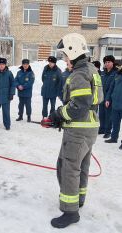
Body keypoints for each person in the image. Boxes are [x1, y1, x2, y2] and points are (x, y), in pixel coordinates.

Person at [42, 33, 103, 228]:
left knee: (68, 168)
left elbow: (78, 106)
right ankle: (79, 200)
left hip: (78, 131)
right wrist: (62, 119)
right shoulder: (91, 69)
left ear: (73, 51)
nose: (65, 59)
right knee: (82, 166)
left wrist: (58, 115)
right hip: (89, 128)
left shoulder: (78, 74)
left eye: (65, 55)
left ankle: (70, 212)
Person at [98, 55, 118, 138]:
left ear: (113, 63)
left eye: (109, 62)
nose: (107, 64)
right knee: (101, 114)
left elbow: (114, 87)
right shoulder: (102, 73)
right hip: (102, 96)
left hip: (110, 97)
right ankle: (102, 128)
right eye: (105, 62)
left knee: (108, 115)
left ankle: (108, 131)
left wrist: (109, 98)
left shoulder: (116, 73)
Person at [105, 68, 122, 144]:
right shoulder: (117, 74)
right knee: (115, 122)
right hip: (115, 103)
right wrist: (108, 99)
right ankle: (114, 138)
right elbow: (111, 88)